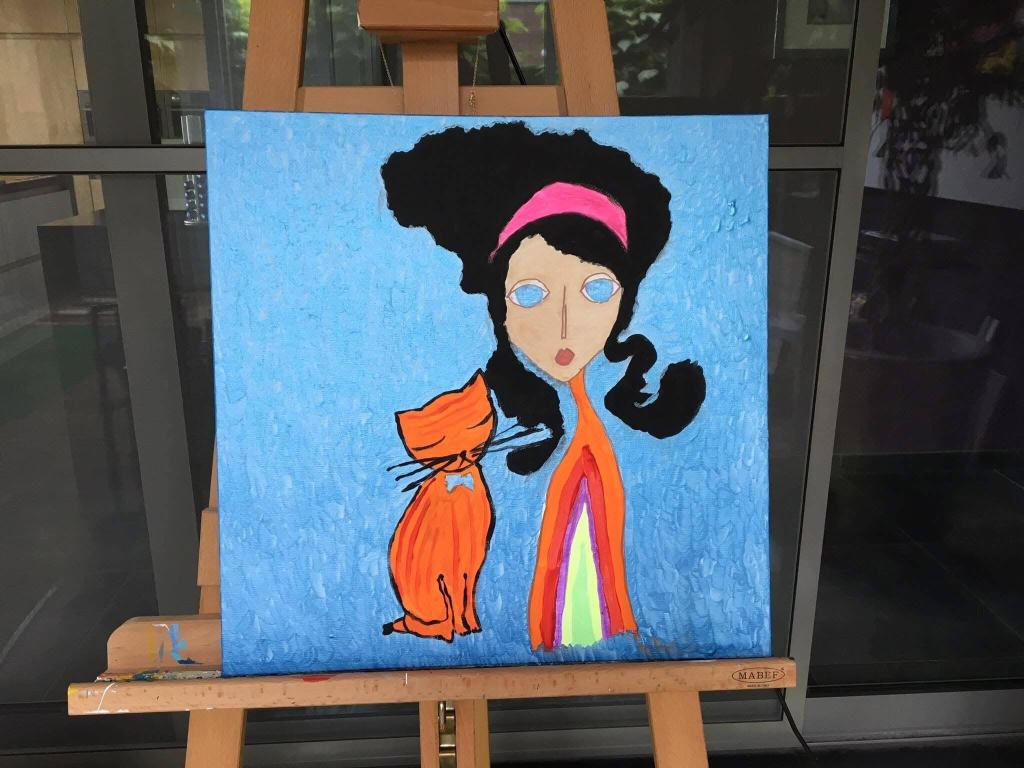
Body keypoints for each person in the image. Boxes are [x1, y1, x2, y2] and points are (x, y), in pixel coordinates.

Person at [381, 122, 705, 651]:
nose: (565, 325)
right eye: (531, 294)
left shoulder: (614, 419)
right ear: (499, 308)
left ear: (626, 303)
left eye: (596, 290)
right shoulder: (472, 424)